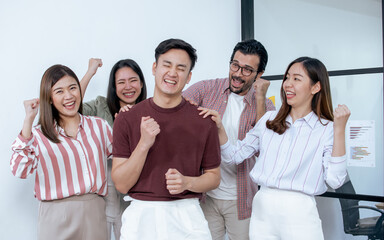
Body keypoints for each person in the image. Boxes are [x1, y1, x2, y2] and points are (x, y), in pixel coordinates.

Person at [200, 56, 351, 240]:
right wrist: (219, 128)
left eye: (296, 79)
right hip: (263, 207)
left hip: (300, 211)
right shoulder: (268, 120)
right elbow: (234, 156)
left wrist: (339, 130)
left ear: (316, 87)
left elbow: (335, 180)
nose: (287, 84)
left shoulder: (327, 129)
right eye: (287, 77)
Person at [112, 38, 221, 240]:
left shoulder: (204, 121)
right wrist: (144, 144)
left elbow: (214, 176)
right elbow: (121, 184)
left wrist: (187, 182)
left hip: (187, 215)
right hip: (141, 218)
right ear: (154, 68)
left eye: (181, 68)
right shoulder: (127, 119)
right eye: (167, 65)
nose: (172, 73)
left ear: (189, 77)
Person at [182, 39, 275, 240]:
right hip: (207, 196)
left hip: (240, 199)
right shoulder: (207, 89)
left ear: (259, 75)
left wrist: (259, 99)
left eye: (247, 70)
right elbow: (174, 106)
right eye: (235, 65)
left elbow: (265, 148)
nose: (238, 74)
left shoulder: (266, 106)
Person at [10, 64, 113, 240]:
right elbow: (20, 170)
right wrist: (28, 120)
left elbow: (125, 157)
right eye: (59, 91)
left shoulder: (99, 126)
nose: (69, 96)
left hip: (94, 211)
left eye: (73, 88)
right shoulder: (38, 133)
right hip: (55, 215)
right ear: (49, 98)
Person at [80, 58, 147, 240]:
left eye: (133, 80)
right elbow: (71, 107)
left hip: (137, 192)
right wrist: (90, 72)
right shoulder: (101, 106)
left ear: (141, 83)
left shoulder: (151, 110)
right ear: (113, 86)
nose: (128, 87)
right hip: (104, 191)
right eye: (121, 82)